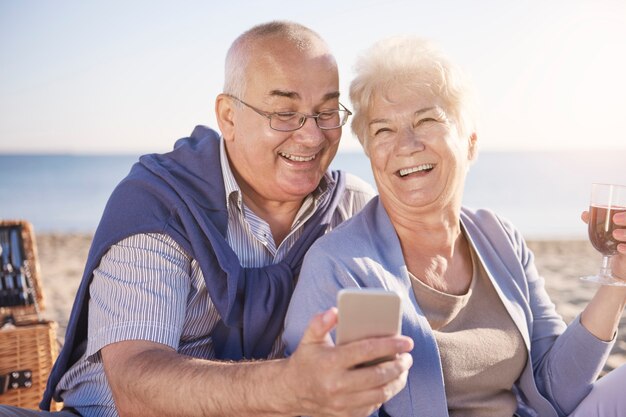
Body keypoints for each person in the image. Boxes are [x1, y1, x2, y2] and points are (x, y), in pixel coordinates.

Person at [0, 22, 415, 417]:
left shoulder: (352, 208)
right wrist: (288, 386)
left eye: (326, 113)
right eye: (284, 113)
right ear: (229, 117)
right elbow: (135, 389)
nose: (311, 136)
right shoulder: (161, 204)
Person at [283, 36, 626, 417]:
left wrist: (619, 280)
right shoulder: (340, 266)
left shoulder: (500, 237)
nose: (406, 145)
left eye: (426, 120)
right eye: (383, 130)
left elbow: (554, 388)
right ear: (370, 153)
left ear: (471, 143)